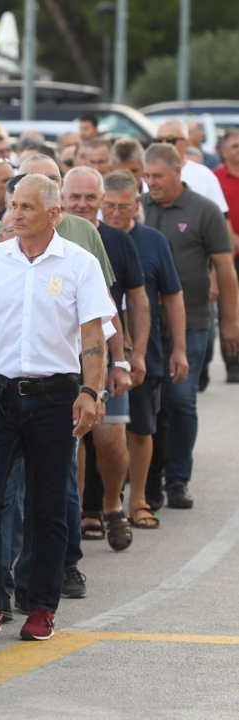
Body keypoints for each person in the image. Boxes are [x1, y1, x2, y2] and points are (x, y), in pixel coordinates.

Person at [0, 174, 113, 644]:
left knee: (48, 505)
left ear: (54, 215)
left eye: (25, 208)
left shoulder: (79, 264)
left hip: (55, 398)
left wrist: (91, 392)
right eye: (12, 204)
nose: (14, 214)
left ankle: (42, 606)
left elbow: (94, 336)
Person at [142, 143, 239, 509]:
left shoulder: (204, 211)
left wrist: (230, 322)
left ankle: (178, 480)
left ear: (177, 172)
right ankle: (146, 478)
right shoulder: (140, 209)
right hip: (146, 325)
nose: (151, 183)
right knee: (152, 403)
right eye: (147, 176)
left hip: (194, 320)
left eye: (158, 176)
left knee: (181, 402)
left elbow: (226, 270)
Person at [62, 167, 149, 550]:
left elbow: (124, 302)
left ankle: (113, 503)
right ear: (61, 198)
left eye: (89, 198)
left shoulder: (114, 239)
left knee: (112, 439)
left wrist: (126, 358)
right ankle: (77, 514)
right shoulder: (44, 236)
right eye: (75, 197)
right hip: (63, 360)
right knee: (74, 441)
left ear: (101, 200)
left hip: (106, 353)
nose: (82, 204)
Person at [101, 169, 188, 530]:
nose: (116, 213)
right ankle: (96, 507)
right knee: (99, 436)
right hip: (96, 355)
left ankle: (138, 500)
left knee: (141, 428)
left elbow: (171, 296)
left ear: (139, 204)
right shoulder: (87, 237)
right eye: (110, 206)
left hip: (143, 351)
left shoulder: (153, 241)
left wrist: (179, 349)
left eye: (125, 206)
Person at [155, 119, 230, 215]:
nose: (163, 145)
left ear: (186, 142)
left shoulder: (204, 176)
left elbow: (220, 217)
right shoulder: (146, 176)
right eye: (159, 140)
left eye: (171, 140)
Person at [213, 128, 239, 382]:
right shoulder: (216, 178)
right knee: (228, 306)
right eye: (234, 146)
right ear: (223, 150)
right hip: (227, 252)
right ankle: (233, 361)